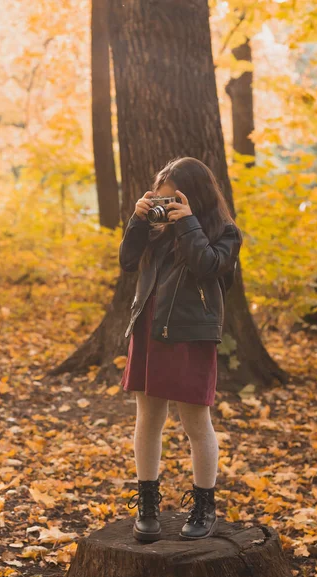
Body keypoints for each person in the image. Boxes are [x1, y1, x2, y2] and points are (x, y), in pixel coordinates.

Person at [119, 156, 242, 542]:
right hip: (150, 327)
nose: (166, 207)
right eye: (162, 199)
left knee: (195, 422)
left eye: (173, 200)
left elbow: (208, 266)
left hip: (191, 334)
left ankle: (205, 507)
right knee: (148, 418)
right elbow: (126, 263)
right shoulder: (155, 230)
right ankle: (148, 504)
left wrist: (187, 222)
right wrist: (139, 221)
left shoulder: (224, 232)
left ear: (195, 195)